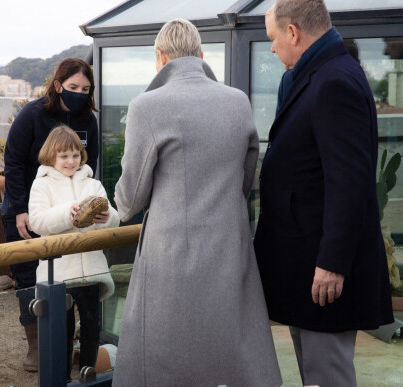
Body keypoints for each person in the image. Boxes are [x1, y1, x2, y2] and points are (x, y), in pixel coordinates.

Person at [113, 19, 282, 386]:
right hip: (229, 246)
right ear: (202, 55)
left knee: (164, 360)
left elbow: (129, 201)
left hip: (170, 257)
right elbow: (245, 177)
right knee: (232, 356)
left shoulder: (146, 106)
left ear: (160, 58)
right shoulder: (237, 101)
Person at [254, 1, 394, 386]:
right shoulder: (314, 74)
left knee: (326, 375)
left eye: (272, 39)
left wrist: (332, 262)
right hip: (306, 264)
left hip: (323, 272)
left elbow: (349, 181)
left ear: (293, 33)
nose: (271, 48)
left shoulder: (334, 80)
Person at [2, 57, 99, 371]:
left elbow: (89, 165)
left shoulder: (88, 120)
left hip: (70, 212)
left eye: (85, 89)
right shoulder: (33, 114)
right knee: (30, 277)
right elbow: (13, 163)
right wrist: (19, 210)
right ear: (58, 85)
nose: (79, 93)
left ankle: (71, 347)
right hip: (28, 207)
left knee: (69, 279)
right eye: (72, 87)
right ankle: (36, 346)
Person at [28, 125, 118, 378]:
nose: (71, 161)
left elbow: (114, 220)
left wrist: (106, 218)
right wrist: (69, 213)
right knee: (62, 332)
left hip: (92, 270)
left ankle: (89, 377)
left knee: (92, 329)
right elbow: (37, 222)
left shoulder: (94, 184)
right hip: (59, 275)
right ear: (51, 156)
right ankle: (63, 378)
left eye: (75, 155)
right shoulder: (41, 185)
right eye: (64, 156)